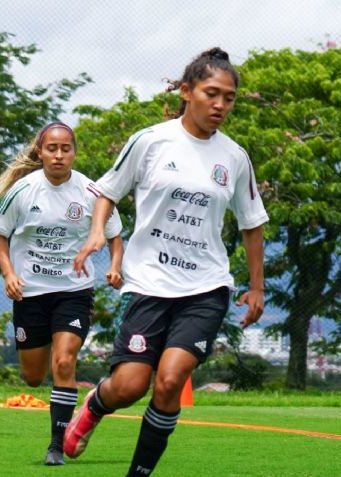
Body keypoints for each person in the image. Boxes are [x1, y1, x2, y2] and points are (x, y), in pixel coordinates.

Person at [63, 48, 268, 476]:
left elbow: (252, 223)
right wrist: (98, 231)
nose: (220, 105)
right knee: (129, 386)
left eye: (229, 98)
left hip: (205, 287)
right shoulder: (151, 140)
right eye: (212, 94)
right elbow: (106, 191)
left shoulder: (234, 157)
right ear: (188, 91)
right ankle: (96, 405)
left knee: (171, 380)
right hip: (149, 284)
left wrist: (256, 285)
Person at [0, 122, 124, 466]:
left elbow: (115, 235)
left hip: (73, 291)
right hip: (30, 293)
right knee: (34, 376)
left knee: (64, 361)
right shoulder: (23, 191)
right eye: (52, 148)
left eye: (66, 149)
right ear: (40, 153)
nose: (59, 155)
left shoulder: (92, 192)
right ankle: (62, 397)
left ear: (75, 153)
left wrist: (115, 266)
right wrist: (8, 274)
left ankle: (55, 444)